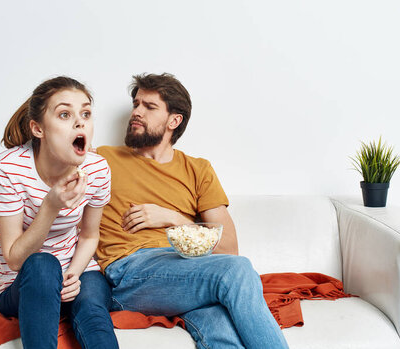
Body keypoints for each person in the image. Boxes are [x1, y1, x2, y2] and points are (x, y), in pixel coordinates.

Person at [95, 73, 289, 349]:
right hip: (128, 273)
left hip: (186, 272)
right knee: (237, 272)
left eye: (149, 107)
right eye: (136, 104)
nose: (136, 112)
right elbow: (51, 157)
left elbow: (228, 248)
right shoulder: (104, 159)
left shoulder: (198, 170)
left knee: (223, 331)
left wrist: (172, 217)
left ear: (174, 121)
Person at [0, 76, 119, 349]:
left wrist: (74, 274)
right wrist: (50, 206)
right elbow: (13, 259)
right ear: (38, 128)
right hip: (22, 281)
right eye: (65, 114)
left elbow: (90, 236)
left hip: (77, 269)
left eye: (86, 113)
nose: (80, 122)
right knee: (44, 264)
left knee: (93, 310)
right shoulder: (7, 169)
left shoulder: (97, 169)